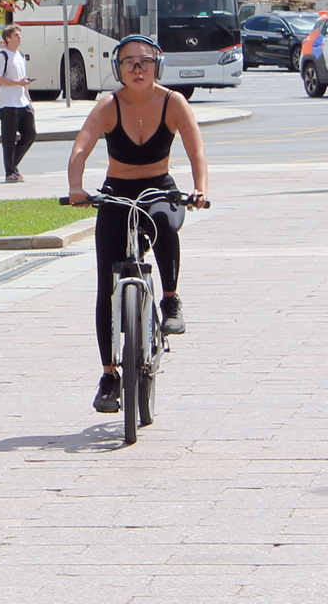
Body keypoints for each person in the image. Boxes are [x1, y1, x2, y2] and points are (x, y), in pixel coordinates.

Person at [67, 34, 209, 413]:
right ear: (119, 69)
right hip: (117, 192)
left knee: (164, 220)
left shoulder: (173, 102)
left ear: (156, 65)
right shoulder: (108, 105)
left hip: (158, 188)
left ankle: (170, 299)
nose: (137, 69)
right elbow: (81, 146)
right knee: (105, 282)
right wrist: (76, 187)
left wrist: (200, 188)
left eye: (144, 61)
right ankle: (109, 375)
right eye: (128, 62)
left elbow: (196, 149)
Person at [0, 24, 36, 182]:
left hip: (22, 102)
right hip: (8, 103)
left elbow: (24, 80)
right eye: (16, 35)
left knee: (30, 134)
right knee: (9, 139)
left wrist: (28, 99)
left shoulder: (20, 55)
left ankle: (12, 164)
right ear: (8, 39)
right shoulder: (3, 56)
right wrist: (17, 83)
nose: (20, 37)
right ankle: (10, 172)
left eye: (20, 34)